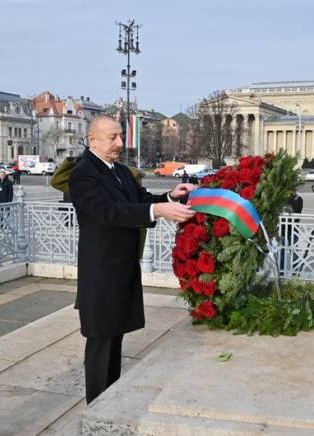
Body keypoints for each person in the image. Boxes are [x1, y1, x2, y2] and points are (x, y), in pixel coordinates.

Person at [69, 115, 196, 404]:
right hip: (101, 271)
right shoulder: (83, 174)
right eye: (112, 137)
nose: (119, 143)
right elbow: (109, 213)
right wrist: (159, 211)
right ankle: (97, 410)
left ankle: (109, 403)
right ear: (93, 140)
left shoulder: (121, 171)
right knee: (101, 341)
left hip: (122, 268)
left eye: (120, 136)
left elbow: (139, 200)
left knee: (115, 338)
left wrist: (169, 196)